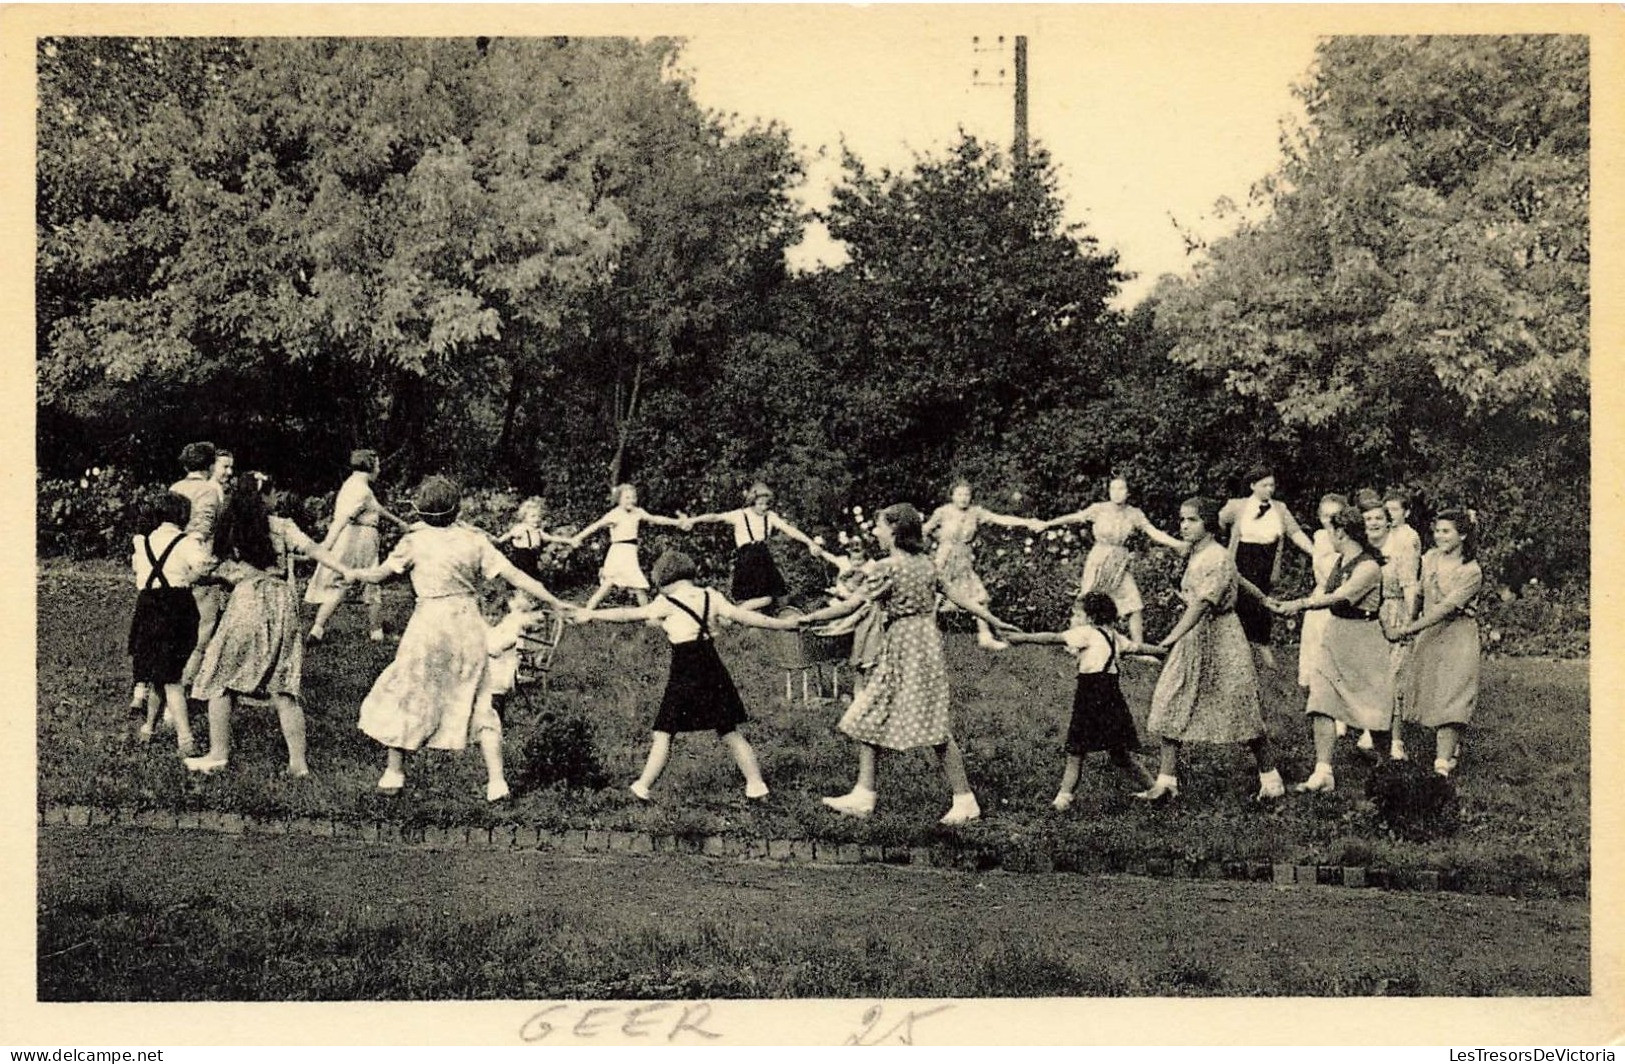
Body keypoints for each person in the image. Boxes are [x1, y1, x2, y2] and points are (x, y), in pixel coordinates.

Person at [349, 476, 574, 800]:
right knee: (480, 696)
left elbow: (379, 574)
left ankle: (393, 774)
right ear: (456, 510)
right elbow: (517, 576)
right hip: (467, 625)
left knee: (408, 689)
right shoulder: (474, 541)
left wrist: (353, 573)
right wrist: (554, 601)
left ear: (423, 512)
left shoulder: (414, 541)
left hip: (428, 623)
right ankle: (497, 783)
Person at [794, 503, 1018, 824]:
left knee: (930, 724)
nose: (877, 532)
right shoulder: (926, 564)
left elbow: (852, 605)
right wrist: (992, 618)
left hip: (907, 645)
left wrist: (810, 618)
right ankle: (864, 793)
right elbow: (960, 597)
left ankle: (965, 800)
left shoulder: (887, 567)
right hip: (921, 643)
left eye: (881, 527)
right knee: (872, 711)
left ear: (896, 530)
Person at [569, 549, 798, 802]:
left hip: (685, 667)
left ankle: (642, 787)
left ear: (665, 580)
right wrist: (785, 624)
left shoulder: (666, 601)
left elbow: (627, 614)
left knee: (664, 731)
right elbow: (746, 617)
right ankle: (757, 786)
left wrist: (591, 614)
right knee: (728, 730)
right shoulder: (711, 595)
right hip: (712, 665)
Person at [184, 473, 350, 777]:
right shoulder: (283, 526)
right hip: (282, 604)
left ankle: (218, 754)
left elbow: (203, 567)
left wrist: (205, 576)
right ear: (265, 497)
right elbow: (315, 550)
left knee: (220, 675)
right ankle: (298, 764)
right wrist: (347, 570)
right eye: (273, 494)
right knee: (283, 684)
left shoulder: (232, 528)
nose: (277, 499)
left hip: (247, 602)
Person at [1139, 496, 1285, 802]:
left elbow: (1204, 603)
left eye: (1191, 520)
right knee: (1173, 697)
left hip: (1220, 637)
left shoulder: (1216, 556)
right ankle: (1167, 782)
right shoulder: (1197, 552)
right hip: (1195, 637)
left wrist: (1169, 638)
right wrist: (1261, 597)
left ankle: (1271, 780)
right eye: (1182, 520)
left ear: (1207, 524)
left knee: (1240, 706)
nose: (1184, 525)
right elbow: (1239, 578)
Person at [1270, 503, 1395, 793]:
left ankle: (1389, 767)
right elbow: (1326, 594)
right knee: (1321, 700)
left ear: (1341, 532)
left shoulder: (1369, 567)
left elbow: (1340, 596)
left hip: (1363, 641)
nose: (1328, 536)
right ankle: (1323, 771)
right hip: (1336, 635)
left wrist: (1297, 605)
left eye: (1331, 530)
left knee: (1373, 712)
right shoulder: (1340, 562)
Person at [1004, 592, 1165, 808]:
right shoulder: (1116, 637)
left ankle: (1063, 799)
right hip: (1112, 698)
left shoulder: (1087, 633)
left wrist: (1023, 638)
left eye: (1078, 615)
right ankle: (1154, 789)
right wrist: (1163, 652)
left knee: (1076, 749)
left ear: (1089, 617)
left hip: (1090, 697)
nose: (1075, 619)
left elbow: (1052, 638)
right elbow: (1140, 648)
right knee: (1119, 752)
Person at [1388, 509, 1483, 777]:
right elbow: (1418, 594)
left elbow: (1447, 609)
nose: (1439, 536)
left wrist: (1411, 627)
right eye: (1437, 531)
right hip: (1429, 634)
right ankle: (1404, 746)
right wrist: (1409, 620)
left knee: (1453, 694)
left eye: (1446, 531)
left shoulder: (1471, 570)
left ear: (1462, 535)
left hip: (1458, 636)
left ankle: (1442, 762)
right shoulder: (1429, 558)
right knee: (1418, 688)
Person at [1038, 475, 1188, 644]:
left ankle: (1138, 648)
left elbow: (1153, 532)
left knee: (1134, 603)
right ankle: (1075, 641)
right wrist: (1046, 524)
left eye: (1121, 489)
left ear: (1128, 492)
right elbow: (1073, 517)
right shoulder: (1099, 509)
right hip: (1099, 560)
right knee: (1086, 599)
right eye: (1113, 489)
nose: (1117, 493)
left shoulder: (1134, 514)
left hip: (1119, 564)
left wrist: (1177, 544)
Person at [127, 491, 210, 755]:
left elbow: (138, 571)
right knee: (172, 676)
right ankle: (186, 740)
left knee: (159, 672)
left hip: (148, 608)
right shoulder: (187, 543)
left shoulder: (143, 543)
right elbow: (203, 568)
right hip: (177, 609)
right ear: (183, 516)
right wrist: (193, 575)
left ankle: (148, 728)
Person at [921, 481, 1043, 650]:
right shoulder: (942, 512)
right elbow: (923, 530)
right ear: (952, 496)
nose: (963, 498)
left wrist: (1026, 522)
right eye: (959, 494)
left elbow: (999, 519)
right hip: (943, 560)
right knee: (934, 598)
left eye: (967, 495)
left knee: (979, 597)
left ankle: (985, 637)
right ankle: (926, 638)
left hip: (964, 560)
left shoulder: (975, 512)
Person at [681, 482, 840, 612]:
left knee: (779, 596)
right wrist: (693, 520)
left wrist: (809, 542)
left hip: (763, 557)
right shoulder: (740, 515)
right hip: (747, 558)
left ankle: (755, 619)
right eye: (760, 503)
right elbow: (715, 517)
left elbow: (790, 530)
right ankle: (733, 614)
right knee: (764, 598)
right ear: (752, 501)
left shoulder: (770, 516)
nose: (764, 507)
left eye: (767, 504)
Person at [305, 449, 410, 644]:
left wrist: (399, 523)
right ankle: (376, 632)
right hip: (359, 538)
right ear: (369, 466)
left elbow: (376, 507)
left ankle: (317, 629)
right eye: (377, 465)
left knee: (344, 581)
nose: (379, 469)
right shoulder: (359, 490)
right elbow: (342, 519)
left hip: (355, 536)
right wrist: (326, 545)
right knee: (371, 578)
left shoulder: (355, 486)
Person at [1218, 468, 1316, 669]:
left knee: (1263, 603)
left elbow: (1295, 533)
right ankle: (1237, 651)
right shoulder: (1238, 506)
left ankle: (1262, 648)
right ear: (1253, 486)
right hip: (1242, 559)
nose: (1269, 489)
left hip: (1266, 561)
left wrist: (1315, 553)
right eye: (1264, 485)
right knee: (1239, 602)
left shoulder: (1280, 509)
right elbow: (1217, 521)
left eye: (1272, 485)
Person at [569, 484, 686, 609]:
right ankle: (649, 616)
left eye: (633, 497)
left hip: (629, 551)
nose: (631, 500)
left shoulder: (637, 512)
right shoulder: (615, 514)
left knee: (611, 584)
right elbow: (596, 526)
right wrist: (578, 537)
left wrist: (677, 522)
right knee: (636, 585)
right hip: (619, 552)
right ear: (619, 499)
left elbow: (656, 519)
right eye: (627, 498)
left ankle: (588, 610)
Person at [171, 441, 228, 689]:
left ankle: (151, 690)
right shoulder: (209, 491)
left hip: (171, 560)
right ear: (209, 465)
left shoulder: (175, 487)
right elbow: (204, 528)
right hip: (198, 562)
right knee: (201, 632)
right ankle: (182, 689)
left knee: (173, 629)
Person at [495, 497, 571, 582]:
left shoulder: (537, 531)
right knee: (523, 579)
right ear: (524, 517)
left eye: (538, 516)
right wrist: (498, 541)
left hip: (532, 557)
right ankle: (521, 594)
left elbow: (551, 538)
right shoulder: (521, 527)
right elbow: (509, 535)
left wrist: (569, 541)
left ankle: (528, 593)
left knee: (533, 579)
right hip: (522, 558)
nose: (537, 519)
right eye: (533, 516)